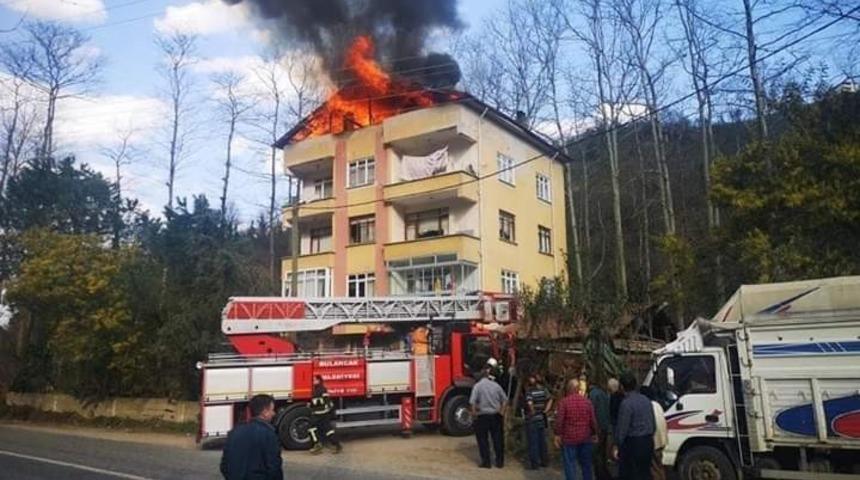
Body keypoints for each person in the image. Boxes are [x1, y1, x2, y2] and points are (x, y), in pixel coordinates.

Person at [220, 394, 283, 480]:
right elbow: (274, 468)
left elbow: (224, 465)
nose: (274, 413)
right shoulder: (269, 434)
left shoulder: (234, 432)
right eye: (272, 410)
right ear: (264, 412)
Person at [613, 373, 656, 480]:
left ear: (622, 387)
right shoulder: (646, 400)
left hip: (633, 443)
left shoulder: (626, 404)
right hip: (648, 441)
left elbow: (622, 428)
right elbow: (653, 423)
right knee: (645, 473)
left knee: (631, 474)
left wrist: (617, 444)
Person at [554, 378, 598, 480]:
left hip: (569, 439)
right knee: (586, 465)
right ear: (578, 389)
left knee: (570, 465)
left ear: (568, 389)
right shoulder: (587, 402)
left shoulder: (564, 403)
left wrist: (557, 435)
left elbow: (559, 421)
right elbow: (593, 421)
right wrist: (595, 433)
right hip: (585, 438)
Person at [469, 367, 508, 468]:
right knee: (498, 439)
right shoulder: (496, 386)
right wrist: (502, 412)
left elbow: (472, 402)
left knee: (483, 440)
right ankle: (500, 462)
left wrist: (474, 414)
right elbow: (505, 400)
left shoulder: (477, 386)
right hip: (496, 416)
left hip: (482, 416)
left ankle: (486, 462)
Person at [523, 374, 552, 469]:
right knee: (542, 441)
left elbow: (529, 403)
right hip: (542, 418)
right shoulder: (544, 390)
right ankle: (544, 461)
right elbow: (550, 399)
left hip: (533, 419)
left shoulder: (529, 391)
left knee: (533, 442)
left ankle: (535, 463)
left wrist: (532, 412)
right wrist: (546, 410)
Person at [308, 375, 342, 454]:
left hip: (319, 414)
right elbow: (321, 401)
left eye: (314, 380)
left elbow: (325, 401)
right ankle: (337, 445)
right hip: (322, 413)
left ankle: (318, 445)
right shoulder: (319, 389)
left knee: (312, 428)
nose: (313, 381)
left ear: (319, 380)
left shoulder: (320, 390)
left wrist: (311, 405)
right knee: (328, 430)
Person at [642, 386, 669, 480]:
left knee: (654, 469)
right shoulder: (657, 405)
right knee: (659, 466)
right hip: (662, 440)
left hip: (654, 442)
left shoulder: (647, 406)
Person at [589, 379, 612, 480]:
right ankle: (605, 474)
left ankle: (600, 475)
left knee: (596, 454)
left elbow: (592, 411)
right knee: (602, 453)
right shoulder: (603, 394)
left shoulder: (593, 395)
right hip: (605, 426)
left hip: (597, 427)